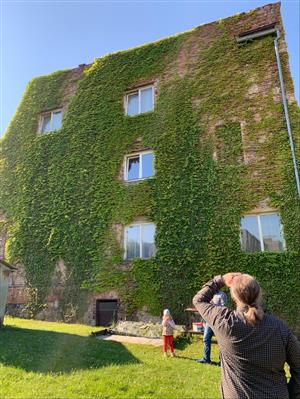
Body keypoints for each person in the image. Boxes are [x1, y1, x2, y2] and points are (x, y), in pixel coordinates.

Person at [193, 273, 300, 399]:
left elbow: (198, 300)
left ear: (234, 296)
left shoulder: (226, 323)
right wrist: (291, 393)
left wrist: (220, 280)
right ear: (259, 293)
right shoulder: (280, 328)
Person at [197, 290, 227, 365]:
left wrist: (214, 305)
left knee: (221, 341)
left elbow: (224, 308)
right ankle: (206, 359)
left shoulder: (222, 295)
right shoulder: (209, 294)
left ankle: (221, 362)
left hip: (218, 321)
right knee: (206, 339)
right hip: (209, 319)